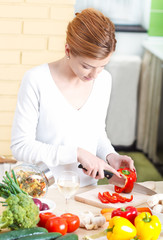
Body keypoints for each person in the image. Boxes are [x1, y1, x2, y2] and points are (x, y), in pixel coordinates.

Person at [11, 8, 135, 187]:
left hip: (86, 192)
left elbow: (96, 132)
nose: (94, 74)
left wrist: (110, 155)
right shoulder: (36, 80)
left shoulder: (104, 81)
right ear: (68, 50)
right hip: (43, 192)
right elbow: (21, 147)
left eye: (102, 66)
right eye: (87, 66)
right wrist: (76, 153)